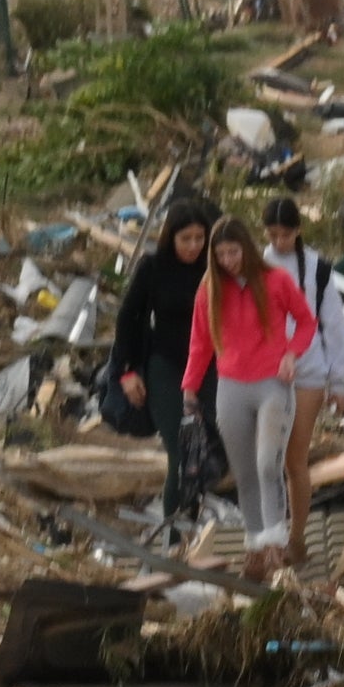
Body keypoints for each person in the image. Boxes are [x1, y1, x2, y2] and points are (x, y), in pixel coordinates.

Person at [186, 208, 322, 573]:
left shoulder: (276, 281)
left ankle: (276, 542)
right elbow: (200, 344)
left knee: (267, 464)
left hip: (272, 386)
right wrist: (189, 386)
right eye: (221, 255)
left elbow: (308, 322)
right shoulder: (209, 291)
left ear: (246, 248)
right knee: (244, 472)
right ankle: (255, 545)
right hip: (231, 388)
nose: (229, 261)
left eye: (234, 252)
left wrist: (292, 353)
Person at [102, 207, 225, 531]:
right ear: (171, 237)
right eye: (186, 239)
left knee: (211, 453)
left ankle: (196, 528)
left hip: (210, 370)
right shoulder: (153, 268)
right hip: (167, 368)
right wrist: (127, 371)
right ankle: (172, 538)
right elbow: (129, 318)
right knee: (181, 454)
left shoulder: (214, 268)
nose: (194, 245)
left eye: (201, 238)